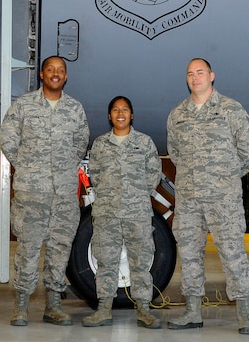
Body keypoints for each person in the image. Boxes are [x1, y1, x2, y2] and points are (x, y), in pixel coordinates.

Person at [166, 58, 249, 335]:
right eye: (190, 74)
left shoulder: (230, 109)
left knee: (233, 252)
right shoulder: (177, 114)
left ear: (212, 76)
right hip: (189, 198)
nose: (195, 78)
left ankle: (244, 313)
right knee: (190, 254)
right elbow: (175, 154)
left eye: (200, 73)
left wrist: (226, 177)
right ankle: (192, 311)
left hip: (223, 200)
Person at [0, 55, 90, 327]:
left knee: (59, 250)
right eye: (50, 69)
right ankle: (21, 305)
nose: (55, 74)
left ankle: (53, 305)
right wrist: (28, 168)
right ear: (41, 74)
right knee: (27, 250)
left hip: (63, 195)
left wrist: (61, 169)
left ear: (65, 77)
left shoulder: (75, 109)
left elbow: (80, 143)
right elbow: (8, 139)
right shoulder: (24, 106)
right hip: (31, 194)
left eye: (60, 70)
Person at [81, 96, 163, 329]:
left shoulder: (144, 143)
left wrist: (135, 196)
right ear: (109, 116)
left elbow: (153, 174)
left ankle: (144, 310)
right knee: (106, 261)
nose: (120, 113)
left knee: (140, 262)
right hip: (107, 214)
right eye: (115, 110)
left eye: (125, 109)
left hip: (137, 213)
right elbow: (94, 174)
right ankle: (104, 309)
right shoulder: (100, 144)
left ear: (132, 114)